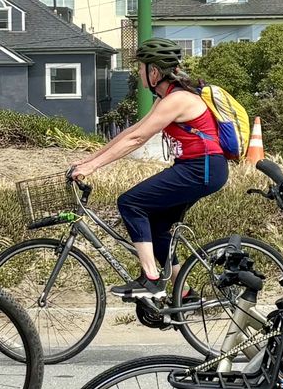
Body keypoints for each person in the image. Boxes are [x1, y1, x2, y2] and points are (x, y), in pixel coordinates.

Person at [69, 39, 229, 300]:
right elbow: (131, 131)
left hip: (202, 168)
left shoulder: (177, 99)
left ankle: (151, 279)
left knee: (131, 203)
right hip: (198, 168)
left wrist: (94, 167)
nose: (139, 73)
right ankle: (184, 292)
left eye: (141, 68)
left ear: (154, 72)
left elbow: (137, 140)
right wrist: (87, 162)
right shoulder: (166, 98)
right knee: (157, 225)